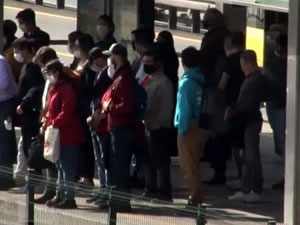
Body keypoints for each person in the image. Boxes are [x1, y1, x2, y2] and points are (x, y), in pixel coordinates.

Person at [44, 60, 85, 209]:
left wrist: (54, 121)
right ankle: (60, 194)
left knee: (67, 167)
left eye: (50, 73)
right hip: (57, 132)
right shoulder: (55, 88)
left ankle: (69, 197)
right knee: (60, 165)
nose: (48, 77)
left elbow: (66, 110)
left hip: (68, 132)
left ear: (56, 72)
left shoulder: (66, 88)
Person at [206, 32, 246, 186]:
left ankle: (221, 175)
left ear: (228, 44)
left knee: (222, 142)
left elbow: (222, 85)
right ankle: (243, 175)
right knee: (241, 144)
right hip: (244, 105)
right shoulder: (246, 58)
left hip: (228, 106)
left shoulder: (229, 62)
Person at [228, 50, 266, 203]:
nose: (242, 68)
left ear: (250, 63)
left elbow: (248, 104)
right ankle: (246, 187)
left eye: (243, 65)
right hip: (247, 120)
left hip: (250, 121)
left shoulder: (255, 80)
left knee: (252, 156)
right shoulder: (251, 78)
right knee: (246, 156)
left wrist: (234, 111)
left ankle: (255, 189)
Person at [101, 44, 136, 211]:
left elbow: (126, 106)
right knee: (115, 165)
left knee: (120, 166)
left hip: (122, 128)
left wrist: (109, 107)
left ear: (118, 57)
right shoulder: (118, 77)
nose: (109, 60)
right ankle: (116, 199)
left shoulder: (124, 79)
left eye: (111, 57)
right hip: (115, 128)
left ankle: (121, 201)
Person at [174, 47, 207, 206]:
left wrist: (182, 129)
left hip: (188, 129)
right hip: (198, 126)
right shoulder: (199, 80)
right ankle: (196, 196)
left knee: (188, 166)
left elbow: (184, 108)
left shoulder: (186, 83)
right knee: (194, 164)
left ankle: (194, 198)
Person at [141, 49, 174, 201]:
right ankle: (150, 188)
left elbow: (166, 108)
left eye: (149, 62)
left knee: (161, 161)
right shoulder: (147, 79)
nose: (146, 65)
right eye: (144, 62)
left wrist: (158, 124)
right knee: (148, 160)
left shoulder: (164, 83)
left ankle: (164, 192)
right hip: (147, 126)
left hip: (159, 127)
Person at [85, 47, 113, 207]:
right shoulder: (99, 73)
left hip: (102, 122)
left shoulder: (108, 76)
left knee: (104, 159)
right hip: (94, 120)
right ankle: (102, 189)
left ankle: (107, 191)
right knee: (99, 159)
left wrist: (97, 115)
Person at [32, 46, 59, 204]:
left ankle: (54, 190)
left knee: (53, 160)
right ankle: (50, 189)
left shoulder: (56, 78)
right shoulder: (48, 79)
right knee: (48, 158)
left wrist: (48, 119)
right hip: (46, 121)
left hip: (54, 123)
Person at [13, 38, 45, 160]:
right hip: (25, 111)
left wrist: (24, 103)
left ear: (26, 50)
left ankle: (35, 176)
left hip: (30, 111)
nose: (16, 54)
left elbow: (36, 88)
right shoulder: (26, 66)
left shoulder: (33, 67)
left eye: (18, 51)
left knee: (31, 147)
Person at [265, 33, 288, 190]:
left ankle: (287, 174)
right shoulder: (272, 58)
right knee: (276, 130)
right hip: (273, 100)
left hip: (282, 103)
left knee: (281, 136)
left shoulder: (288, 61)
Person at [74, 33, 96, 188]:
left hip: (85, 109)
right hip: (76, 108)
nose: (75, 49)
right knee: (79, 144)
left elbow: (89, 88)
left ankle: (87, 176)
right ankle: (80, 173)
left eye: (77, 46)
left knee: (86, 145)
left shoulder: (89, 66)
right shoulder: (78, 62)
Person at [0, 54, 18, 190]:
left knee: (4, 142)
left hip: (4, 105)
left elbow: (3, 83)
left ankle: (6, 178)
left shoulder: (0, 61)